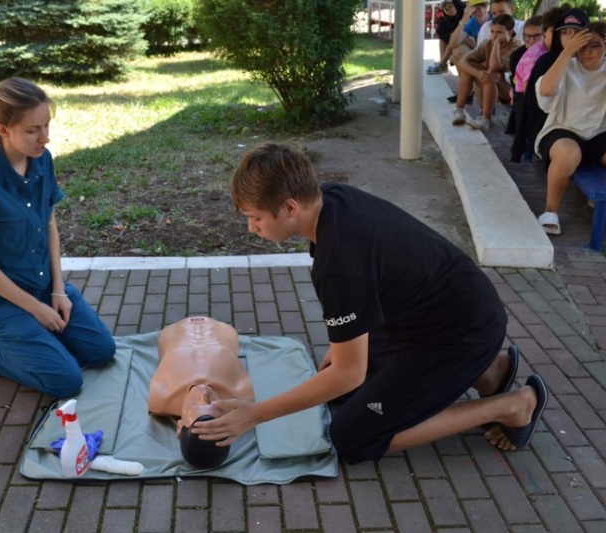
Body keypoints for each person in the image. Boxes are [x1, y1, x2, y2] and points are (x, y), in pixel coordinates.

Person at [192, 142, 549, 464]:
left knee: (353, 436)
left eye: (255, 218)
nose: (252, 229)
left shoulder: (339, 262)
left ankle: (511, 406)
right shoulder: (329, 199)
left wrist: (254, 414)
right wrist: (343, 359)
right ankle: (490, 373)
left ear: (289, 207)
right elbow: (357, 326)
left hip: (460, 333)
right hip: (444, 314)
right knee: (342, 394)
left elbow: (348, 373)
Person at [0, 77, 116, 398]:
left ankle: (33, 338)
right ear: (2, 130)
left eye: (46, 125)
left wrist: (57, 291)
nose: (45, 138)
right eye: (33, 130)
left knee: (101, 351)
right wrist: (37, 311)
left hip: (40, 285)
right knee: (66, 381)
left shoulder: (42, 161)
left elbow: (49, 224)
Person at [148, 316, 255, 469]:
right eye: (213, 404)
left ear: (179, 427)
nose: (203, 394)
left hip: (175, 329)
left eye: (195, 406)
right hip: (220, 328)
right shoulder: (242, 394)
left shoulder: (160, 398)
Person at [535, 21, 606, 235]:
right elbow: (546, 91)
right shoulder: (566, 66)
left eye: (594, 45)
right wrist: (567, 52)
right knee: (568, 153)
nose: (587, 51)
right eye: (582, 45)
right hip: (562, 129)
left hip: (598, 134)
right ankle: (550, 212)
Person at [513, 7, 589, 164]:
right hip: (550, 126)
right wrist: (568, 52)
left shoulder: (593, 60)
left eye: (576, 32)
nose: (571, 37)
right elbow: (541, 100)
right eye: (565, 32)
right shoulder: (545, 61)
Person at [452, 14, 522, 131]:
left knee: (492, 74)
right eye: (492, 32)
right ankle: (459, 110)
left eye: (499, 33)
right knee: (470, 68)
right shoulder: (487, 43)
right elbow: (462, 62)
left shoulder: (516, 46)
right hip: (492, 85)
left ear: (510, 32)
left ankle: (486, 118)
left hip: (511, 91)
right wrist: (478, 73)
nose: (494, 36)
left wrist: (497, 43)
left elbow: (494, 67)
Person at [427, 0, 466, 75]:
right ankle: (443, 64)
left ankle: (442, 63)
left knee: (453, 39)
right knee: (444, 40)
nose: (449, 10)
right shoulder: (446, 21)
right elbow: (440, 32)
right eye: (446, 9)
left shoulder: (464, 15)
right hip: (454, 45)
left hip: (467, 41)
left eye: (451, 6)